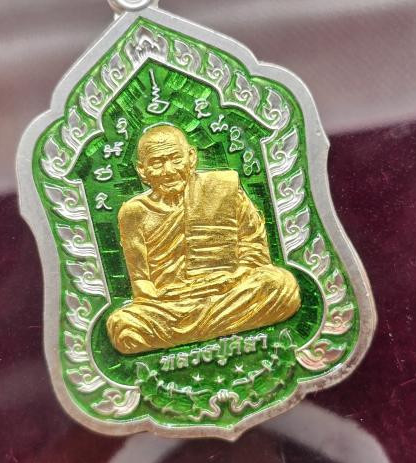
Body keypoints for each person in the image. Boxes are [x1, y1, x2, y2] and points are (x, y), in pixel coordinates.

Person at [106, 124, 300, 354]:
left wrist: (235, 277)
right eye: (157, 163)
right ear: (142, 170)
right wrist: (174, 296)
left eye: (175, 159)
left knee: (281, 285)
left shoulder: (222, 189)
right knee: (123, 327)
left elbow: (254, 248)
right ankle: (216, 326)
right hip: (173, 306)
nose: (168, 170)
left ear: (191, 157)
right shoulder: (133, 213)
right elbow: (141, 283)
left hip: (229, 291)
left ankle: (192, 331)